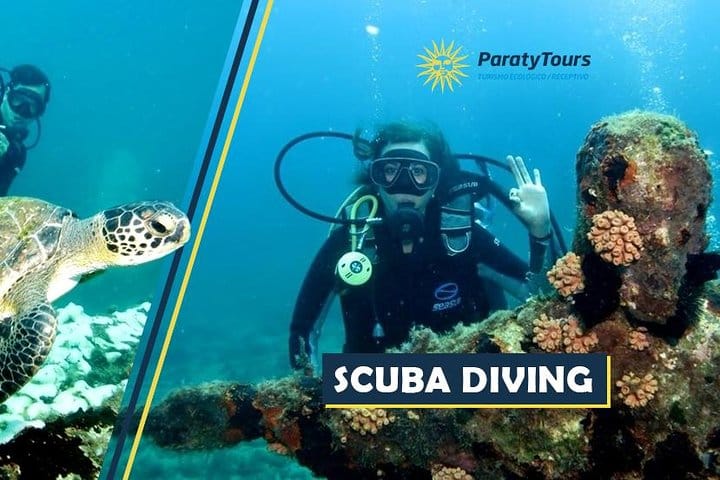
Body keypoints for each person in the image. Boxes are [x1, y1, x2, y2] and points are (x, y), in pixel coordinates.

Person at [288, 121, 553, 370]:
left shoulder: (462, 237)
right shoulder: (352, 242)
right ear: (375, 177)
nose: (404, 186)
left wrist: (540, 231)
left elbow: (541, 295)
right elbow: (303, 330)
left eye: (418, 172)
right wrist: (312, 396)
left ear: (436, 180)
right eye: (390, 171)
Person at [0, 64, 51, 196]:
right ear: (6, 93)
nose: (22, 111)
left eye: (32, 107)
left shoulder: (16, 154)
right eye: (18, 100)